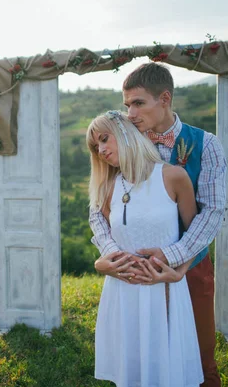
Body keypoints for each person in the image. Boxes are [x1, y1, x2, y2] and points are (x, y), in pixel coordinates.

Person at [90, 62, 227, 387]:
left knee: (199, 357)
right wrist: (111, 253)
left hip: (189, 266)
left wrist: (173, 255)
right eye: (126, 105)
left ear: (164, 98)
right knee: (142, 357)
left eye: (138, 103)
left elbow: (213, 211)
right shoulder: (123, 142)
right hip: (134, 272)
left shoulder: (206, 144)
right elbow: (98, 206)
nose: (131, 112)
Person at [87, 110, 204, 387]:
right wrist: (103, 261)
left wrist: (178, 272)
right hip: (122, 291)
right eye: (96, 146)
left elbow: (196, 236)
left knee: (166, 373)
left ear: (126, 133)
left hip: (163, 289)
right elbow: (104, 234)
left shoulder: (174, 177)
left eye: (105, 139)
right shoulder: (108, 187)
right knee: (131, 372)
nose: (101, 150)